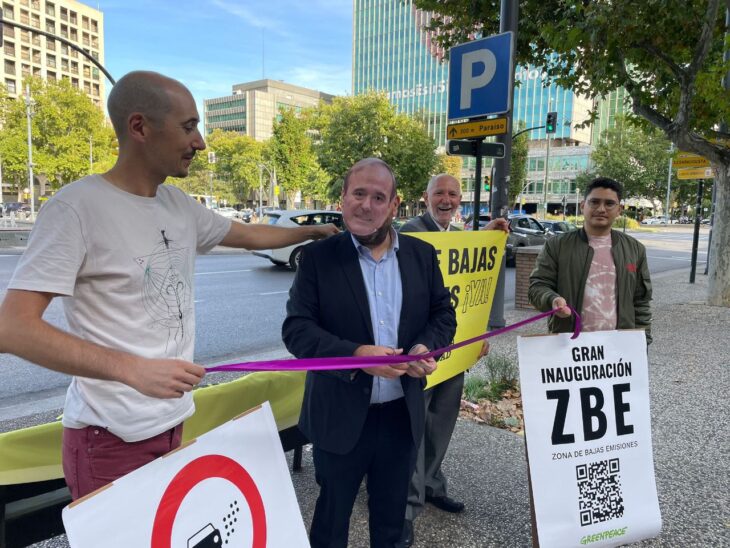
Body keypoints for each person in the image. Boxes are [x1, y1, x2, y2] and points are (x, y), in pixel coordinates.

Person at [0, 71, 338, 500]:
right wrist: (131, 369)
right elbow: (13, 329)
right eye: (188, 126)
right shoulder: (75, 208)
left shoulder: (178, 204)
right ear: (139, 127)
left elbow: (249, 234)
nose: (200, 142)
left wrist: (311, 232)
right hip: (108, 439)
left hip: (173, 423)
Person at [282, 158, 456, 548]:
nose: (366, 205)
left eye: (379, 197)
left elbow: (443, 314)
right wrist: (358, 354)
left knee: (392, 525)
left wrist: (426, 346)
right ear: (343, 199)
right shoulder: (317, 258)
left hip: (400, 415)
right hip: (339, 415)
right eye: (358, 194)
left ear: (394, 205)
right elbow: (297, 331)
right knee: (331, 524)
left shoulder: (421, 255)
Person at [398, 174, 508, 547]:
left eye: (453, 194)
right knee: (413, 430)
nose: (446, 200)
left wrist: (479, 334)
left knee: (441, 424)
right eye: (439, 193)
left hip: (455, 348)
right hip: (422, 351)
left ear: (461, 199)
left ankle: (432, 485)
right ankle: (406, 506)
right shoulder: (411, 233)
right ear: (425, 196)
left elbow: (475, 286)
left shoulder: (457, 234)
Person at [528, 177, 652, 343]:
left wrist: (642, 342)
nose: (601, 209)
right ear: (582, 206)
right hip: (571, 345)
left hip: (618, 346)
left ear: (619, 209)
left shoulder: (634, 249)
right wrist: (552, 300)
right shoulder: (557, 245)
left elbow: (641, 302)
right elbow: (537, 287)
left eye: (609, 203)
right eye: (594, 202)